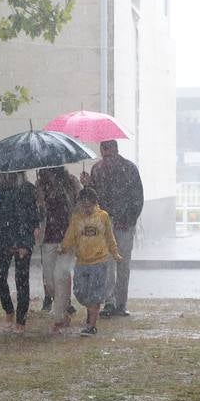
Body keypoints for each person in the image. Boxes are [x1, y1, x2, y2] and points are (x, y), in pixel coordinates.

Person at [84, 139, 144, 317]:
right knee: (107, 264)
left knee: (122, 264)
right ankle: (110, 301)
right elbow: (92, 197)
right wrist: (87, 184)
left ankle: (120, 302)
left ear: (116, 149)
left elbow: (137, 197)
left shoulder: (129, 169)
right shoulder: (97, 170)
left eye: (109, 148)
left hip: (124, 223)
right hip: (105, 223)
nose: (106, 152)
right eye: (103, 148)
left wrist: (130, 219)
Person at [58, 187, 122, 336]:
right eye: (83, 206)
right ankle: (92, 309)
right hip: (81, 262)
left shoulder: (103, 216)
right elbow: (70, 235)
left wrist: (115, 253)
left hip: (99, 262)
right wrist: (64, 247)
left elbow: (109, 237)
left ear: (95, 204)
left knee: (94, 294)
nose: (86, 209)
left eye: (89, 206)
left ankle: (92, 325)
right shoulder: (76, 218)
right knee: (80, 292)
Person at [0, 171, 40, 333]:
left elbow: (32, 217)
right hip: (3, 238)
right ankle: (9, 311)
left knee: (22, 281)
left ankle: (21, 320)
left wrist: (25, 243)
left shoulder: (28, 189)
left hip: (22, 239)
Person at [36, 166, 79, 323]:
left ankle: (60, 317)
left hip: (66, 236)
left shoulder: (70, 182)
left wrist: (84, 185)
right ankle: (64, 305)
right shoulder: (40, 185)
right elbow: (37, 211)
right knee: (49, 279)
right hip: (47, 237)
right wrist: (39, 198)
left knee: (61, 275)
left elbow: (81, 203)